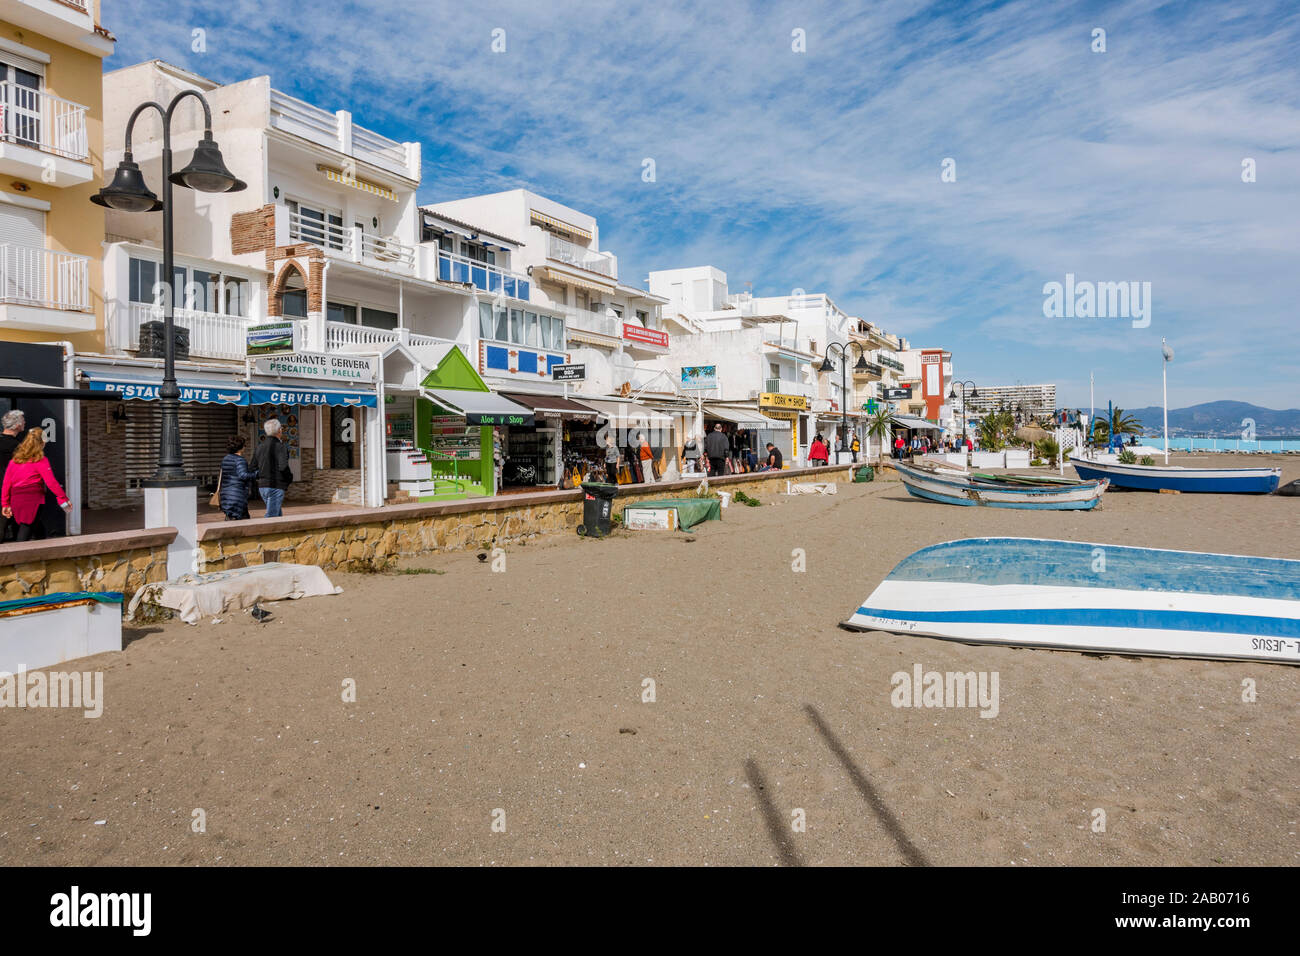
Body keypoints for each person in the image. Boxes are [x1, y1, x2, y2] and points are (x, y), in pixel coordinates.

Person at [1, 428, 70, 542]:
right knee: (24, 534)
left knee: (38, 528)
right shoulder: (40, 460)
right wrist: (63, 498)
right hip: (33, 500)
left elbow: (6, 484)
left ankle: (42, 555)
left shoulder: (14, 461)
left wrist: (5, 504)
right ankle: (18, 558)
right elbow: (51, 482)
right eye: (44, 443)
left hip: (16, 500)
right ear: (41, 444)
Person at [253, 418, 292, 518]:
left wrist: (261, 476)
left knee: (277, 515)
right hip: (276, 485)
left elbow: (252, 467)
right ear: (280, 430)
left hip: (262, 486)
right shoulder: (281, 446)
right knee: (271, 517)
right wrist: (289, 478)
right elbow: (283, 467)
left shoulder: (259, 447)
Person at [219, 435, 259, 521]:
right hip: (237, 495)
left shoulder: (225, 458)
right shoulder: (240, 460)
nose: (245, 447)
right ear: (240, 447)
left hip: (226, 494)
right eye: (244, 445)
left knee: (231, 518)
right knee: (241, 521)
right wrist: (257, 474)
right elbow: (243, 475)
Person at [1, 409, 26, 542]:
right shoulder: (17, 447)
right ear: (17, 425)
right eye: (23, 420)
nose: (25, 422)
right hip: (9, 491)